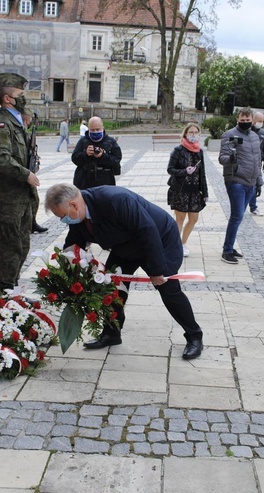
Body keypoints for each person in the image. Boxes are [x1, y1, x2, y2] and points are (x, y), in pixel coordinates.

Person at [45, 183, 205, 359]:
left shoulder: (115, 200)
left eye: (63, 217)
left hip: (159, 240)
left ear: (74, 205)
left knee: (168, 290)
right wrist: (68, 268)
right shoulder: (80, 213)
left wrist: (157, 270)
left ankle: (194, 336)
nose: (64, 221)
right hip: (126, 245)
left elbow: (148, 230)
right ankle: (111, 333)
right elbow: (74, 242)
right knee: (111, 288)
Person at [0, 72, 42, 293]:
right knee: (8, 248)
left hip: (22, 196)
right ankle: (5, 294)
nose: (24, 98)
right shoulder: (2, 125)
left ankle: (12, 290)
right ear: (8, 99)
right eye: (20, 94)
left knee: (22, 245)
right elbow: (0, 158)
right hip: (8, 197)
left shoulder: (17, 121)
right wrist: (26, 174)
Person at [219, 107, 263, 264]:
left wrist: (259, 181)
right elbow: (222, 158)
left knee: (239, 216)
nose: (245, 122)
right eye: (242, 120)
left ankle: (229, 245)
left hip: (250, 182)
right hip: (235, 180)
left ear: (252, 119)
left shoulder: (255, 137)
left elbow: (258, 160)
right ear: (237, 119)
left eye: (247, 120)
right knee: (237, 215)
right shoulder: (229, 135)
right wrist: (231, 158)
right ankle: (227, 250)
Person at [167, 123, 208, 257]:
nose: (194, 135)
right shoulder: (178, 150)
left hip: (195, 190)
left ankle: (183, 242)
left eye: (196, 132)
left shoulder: (199, 152)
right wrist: (184, 171)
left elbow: (202, 174)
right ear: (185, 134)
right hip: (180, 189)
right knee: (180, 218)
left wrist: (205, 192)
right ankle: (176, 245)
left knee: (194, 218)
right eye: (191, 132)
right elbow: (170, 169)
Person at [71, 116, 122, 189]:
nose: (95, 132)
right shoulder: (83, 141)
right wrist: (85, 154)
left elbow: (117, 159)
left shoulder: (110, 141)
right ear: (88, 129)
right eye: (92, 130)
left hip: (105, 181)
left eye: (97, 129)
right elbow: (74, 158)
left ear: (103, 128)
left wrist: (103, 156)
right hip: (84, 181)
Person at [248, 112, 264, 216]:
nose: (260, 123)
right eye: (259, 121)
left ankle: (253, 207)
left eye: (262, 121)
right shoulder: (247, 131)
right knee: (247, 185)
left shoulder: (262, 133)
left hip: (258, 163)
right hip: (247, 163)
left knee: (255, 185)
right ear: (253, 120)